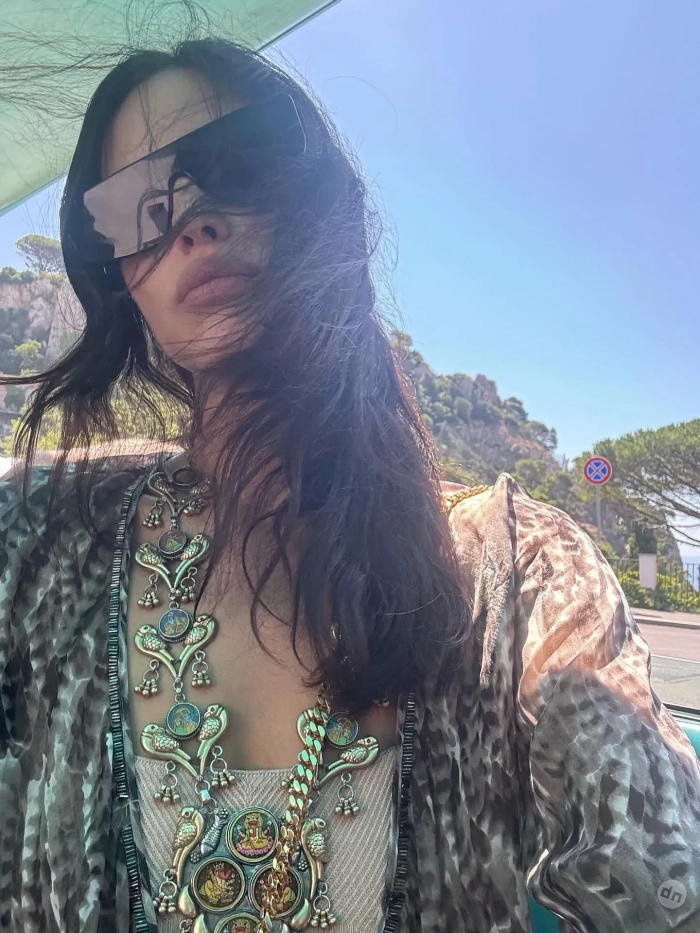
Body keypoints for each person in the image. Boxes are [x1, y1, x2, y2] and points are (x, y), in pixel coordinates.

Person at [0, 36, 698, 933]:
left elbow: (663, 881)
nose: (190, 221)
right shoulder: (43, 536)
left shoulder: (519, 572)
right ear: (115, 271)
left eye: (238, 163)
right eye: (138, 206)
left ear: (316, 198)